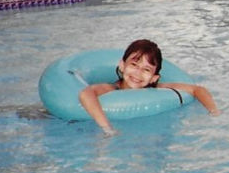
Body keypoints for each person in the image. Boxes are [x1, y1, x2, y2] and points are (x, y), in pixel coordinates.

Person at [78, 39, 220, 134]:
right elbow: (87, 93)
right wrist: (107, 128)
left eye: (146, 70)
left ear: (154, 77)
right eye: (134, 65)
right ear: (122, 66)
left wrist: (214, 112)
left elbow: (198, 90)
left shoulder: (157, 89)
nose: (138, 73)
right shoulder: (113, 89)